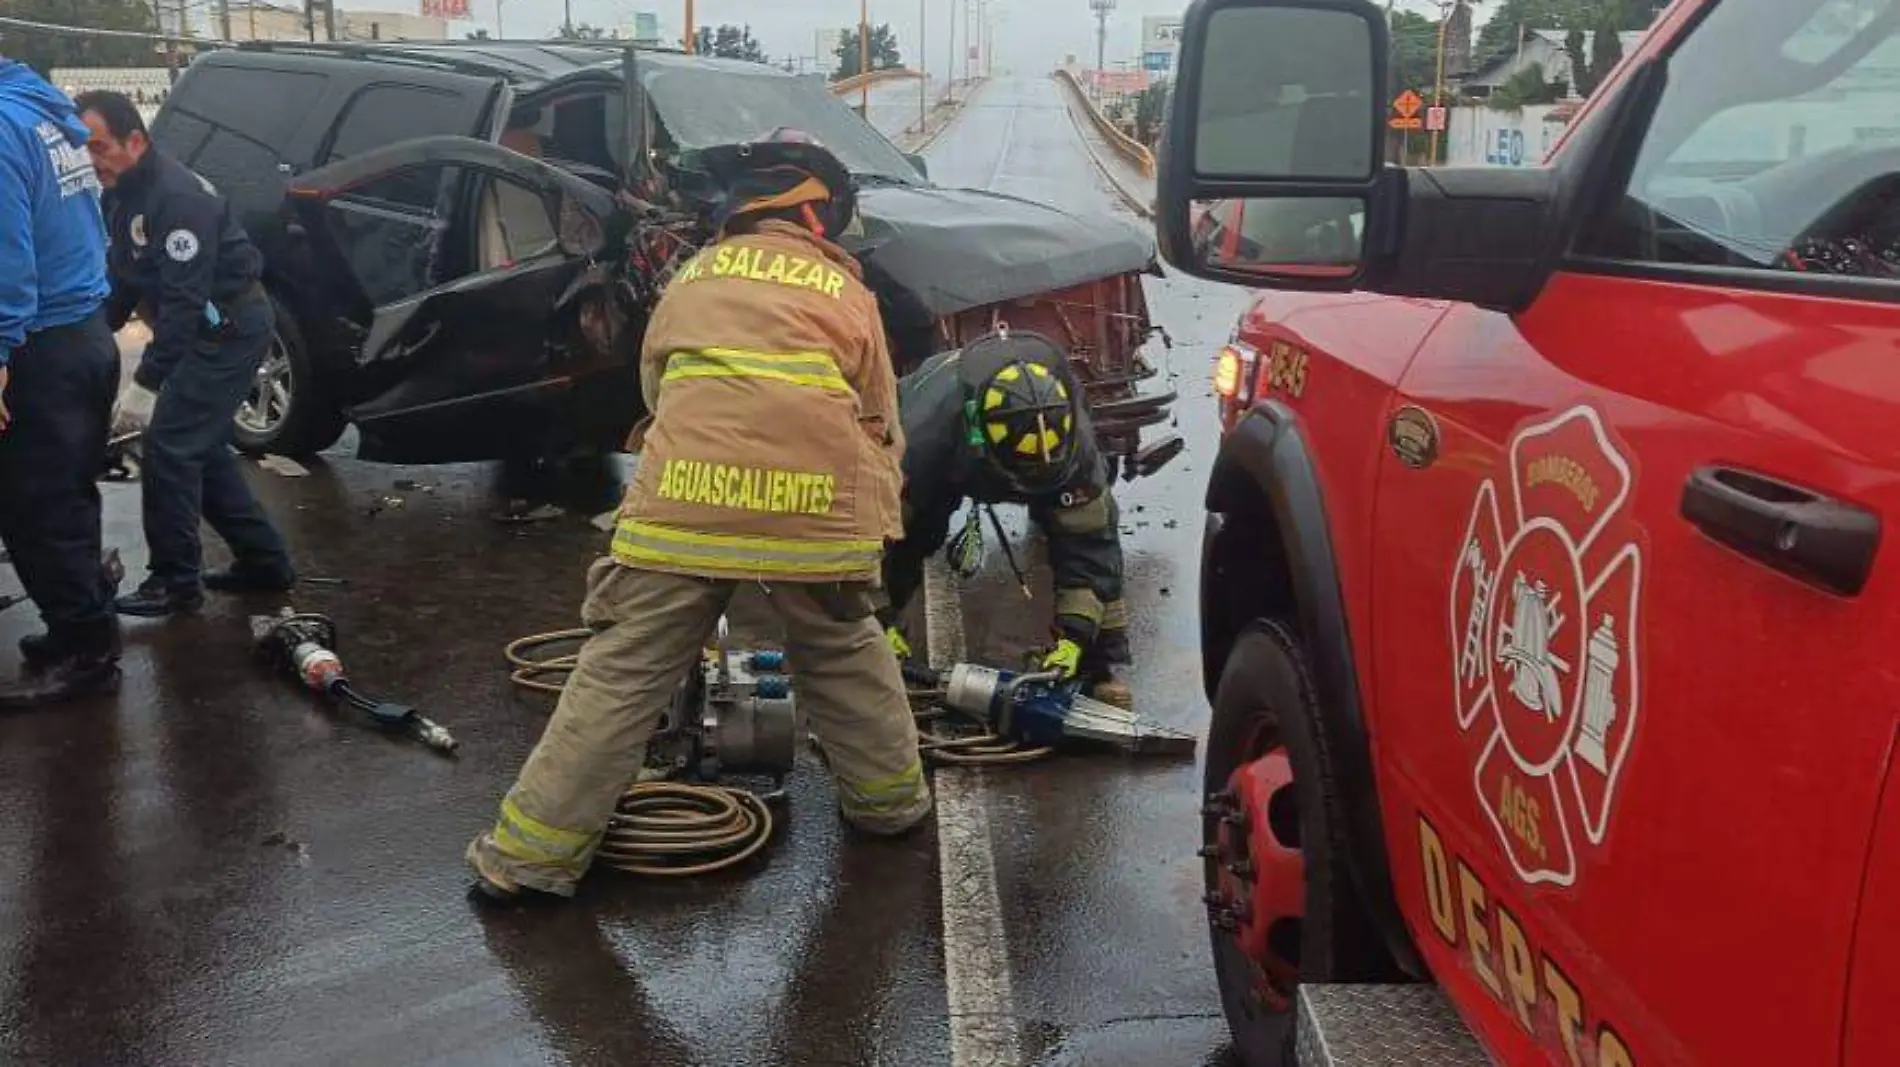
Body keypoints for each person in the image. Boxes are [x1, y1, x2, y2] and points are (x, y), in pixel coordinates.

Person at [466, 129, 932, 901]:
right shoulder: (846, 288)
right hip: (814, 516)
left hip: (686, 502)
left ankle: (527, 860)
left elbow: (655, 388)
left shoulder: (694, 277)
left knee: (622, 668)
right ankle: (890, 806)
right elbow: (879, 412)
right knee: (844, 648)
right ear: (817, 216)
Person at [73, 91, 295, 617]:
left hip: (228, 327)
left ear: (135, 140)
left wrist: (146, 383)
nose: (91, 160)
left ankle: (174, 580)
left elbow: (183, 303)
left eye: (99, 147)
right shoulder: (122, 192)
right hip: (203, 324)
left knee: (170, 447)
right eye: (83, 149)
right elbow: (126, 276)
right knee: (199, 447)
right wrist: (91, 339)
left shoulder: (178, 199)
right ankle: (265, 562)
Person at [877, 330, 1135, 709]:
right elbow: (874, 539)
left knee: (1096, 535)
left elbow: (1091, 551)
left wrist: (1074, 639)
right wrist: (876, 618)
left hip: (1015, 454)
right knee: (913, 536)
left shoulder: (1070, 441)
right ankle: (878, 641)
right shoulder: (921, 441)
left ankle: (1099, 665)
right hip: (948, 457)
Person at [0, 54, 125, 707]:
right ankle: (80, 623)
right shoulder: (39, 113)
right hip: (83, 328)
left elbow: (6, 259)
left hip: (40, 343)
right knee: (67, 494)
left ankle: (85, 653)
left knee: (38, 505)